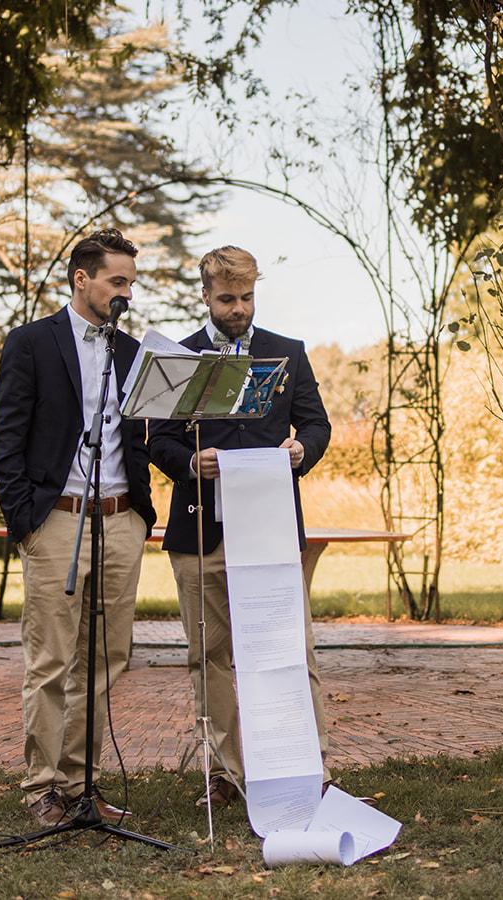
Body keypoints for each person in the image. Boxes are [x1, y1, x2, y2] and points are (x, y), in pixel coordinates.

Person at [147, 245, 333, 809]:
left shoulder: (287, 353)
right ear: (205, 295)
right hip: (200, 530)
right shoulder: (177, 358)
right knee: (211, 656)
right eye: (227, 298)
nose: (239, 309)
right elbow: (156, 439)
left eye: (247, 297)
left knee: (293, 653)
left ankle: (309, 766)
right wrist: (186, 463)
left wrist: (303, 448)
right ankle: (227, 775)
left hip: (271, 528)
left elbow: (318, 425)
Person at [0, 228, 157, 827]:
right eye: (117, 281)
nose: (125, 293)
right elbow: (5, 441)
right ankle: (42, 786)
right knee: (52, 660)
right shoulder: (32, 343)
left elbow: (148, 437)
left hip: (121, 520)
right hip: (56, 520)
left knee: (105, 660)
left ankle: (83, 784)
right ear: (81, 279)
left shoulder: (136, 354)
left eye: (130, 282)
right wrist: (25, 523)